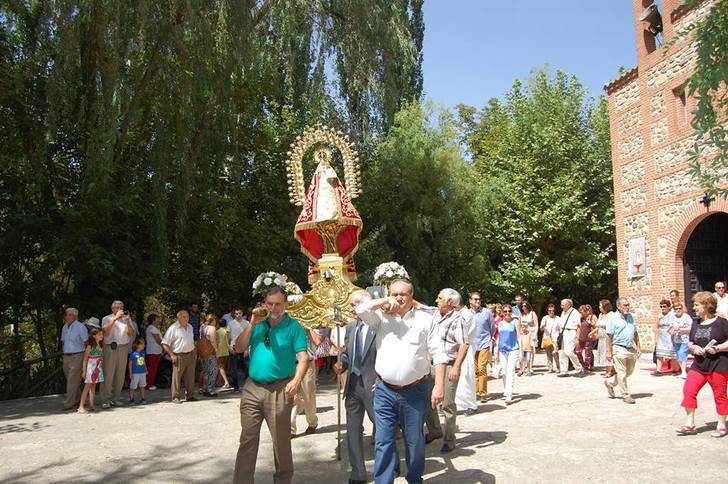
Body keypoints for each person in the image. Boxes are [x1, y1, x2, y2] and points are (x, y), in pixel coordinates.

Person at [355, 279, 446, 484]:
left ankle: (414, 479)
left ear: (411, 296)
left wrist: (439, 386)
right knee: (383, 441)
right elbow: (359, 309)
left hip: (415, 391)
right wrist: (383, 301)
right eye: (394, 294)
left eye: (403, 294)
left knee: (414, 443)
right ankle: (384, 481)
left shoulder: (425, 320)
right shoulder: (381, 318)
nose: (398, 298)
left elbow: (439, 354)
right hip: (384, 390)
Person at [233, 287, 308, 484]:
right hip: (252, 388)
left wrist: (297, 380)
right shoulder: (257, 325)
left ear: (285, 305)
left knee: (280, 442)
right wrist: (251, 324)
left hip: (280, 389)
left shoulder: (294, 327)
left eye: (277, 304)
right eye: (270, 303)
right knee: (247, 438)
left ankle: (283, 480)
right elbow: (239, 348)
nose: (273, 308)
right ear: (265, 304)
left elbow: (303, 357)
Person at [334, 290, 381, 484]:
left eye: (353, 305)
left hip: (374, 385)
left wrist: (382, 379)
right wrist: (341, 365)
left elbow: (385, 355)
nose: (351, 309)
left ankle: (389, 464)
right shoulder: (351, 328)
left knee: (382, 428)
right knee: (352, 431)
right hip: (352, 386)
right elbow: (347, 354)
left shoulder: (378, 326)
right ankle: (358, 473)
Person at [677, 291, 728, 437]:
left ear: (706, 305)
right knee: (689, 390)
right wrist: (694, 348)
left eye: (697, 305)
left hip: (718, 364)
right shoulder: (696, 323)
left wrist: (717, 348)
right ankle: (689, 424)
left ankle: (722, 425)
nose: (694, 308)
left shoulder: (721, 323)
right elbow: (691, 342)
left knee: (720, 395)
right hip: (699, 365)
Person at [424, 288, 469, 453]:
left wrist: (456, 367)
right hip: (432, 364)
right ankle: (435, 430)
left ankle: (449, 438)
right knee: (427, 399)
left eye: (439, 297)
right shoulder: (435, 313)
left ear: (449, 302)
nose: (436, 300)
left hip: (449, 364)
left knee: (447, 404)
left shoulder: (458, 319)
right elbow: (416, 305)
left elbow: (464, 344)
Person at [604, 298, 641, 404]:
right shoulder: (613, 318)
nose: (627, 307)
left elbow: (635, 333)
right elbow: (608, 335)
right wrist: (608, 351)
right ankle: (625, 395)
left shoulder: (631, 317)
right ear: (618, 306)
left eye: (628, 305)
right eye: (625, 305)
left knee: (629, 371)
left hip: (630, 348)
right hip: (618, 347)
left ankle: (610, 383)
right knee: (622, 372)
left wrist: (638, 347)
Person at [100, 300, 134, 409]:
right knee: (108, 373)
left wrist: (128, 322)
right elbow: (105, 332)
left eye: (121, 307)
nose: (120, 310)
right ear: (113, 309)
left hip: (123, 347)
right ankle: (106, 399)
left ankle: (116, 398)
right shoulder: (107, 318)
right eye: (117, 308)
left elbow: (131, 333)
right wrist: (115, 319)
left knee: (120, 374)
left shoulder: (126, 319)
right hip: (110, 347)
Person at [291, 326, 322, 436]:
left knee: (308, 395)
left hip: (308, 364)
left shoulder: (310, 323)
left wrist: (308, 329)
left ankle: (312, 422)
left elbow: (318, 341)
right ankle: (290, 429)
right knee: (291, 396)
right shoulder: (287, 323)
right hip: (290, 364)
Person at [161, 309, 197, 403]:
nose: (187, 318)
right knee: (177, 377)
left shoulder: (190, 327)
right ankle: (175, 397)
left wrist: (194, 352)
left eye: (187, 316)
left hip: (191, 353)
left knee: (190, 376)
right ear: (179, 318)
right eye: (184, 316)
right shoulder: (173, 328)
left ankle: (190, 395)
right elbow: (165, 343)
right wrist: (172, 355)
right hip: (179, 355)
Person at [60, 307, 88, 411]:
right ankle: (78, 399)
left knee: (72, 380)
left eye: (69, 314)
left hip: (77, 355)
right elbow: (63, 341)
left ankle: (69, 403)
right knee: (71, 379)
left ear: (75, 316)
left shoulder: (81, 327)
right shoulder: (64, 327)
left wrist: (85, 357)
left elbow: (86, 342)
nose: (67, 316)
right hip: (66, 356)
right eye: (66, 314)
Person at [455, 295, 478, 415]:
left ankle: (471, 404)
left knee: (467, 375)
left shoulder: (467, 315)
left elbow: (463, 334)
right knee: (459, 377)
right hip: (457, 348)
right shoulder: (457, 314)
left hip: (466, 347)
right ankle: (459, 404)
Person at [473, 295, 495, 401]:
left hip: (484, 343)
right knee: (475, 369)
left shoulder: (487, 312)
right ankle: (476, 391)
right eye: (475, 299)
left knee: (482, 367)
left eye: (479, 299)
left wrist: (489, 339)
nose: (478, 301)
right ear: (470, 301)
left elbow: (492, 328)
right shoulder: (467, 313)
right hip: (472, 345)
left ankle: (483, 393)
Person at [497, 305, 520, 404]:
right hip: (502, 350)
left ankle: (509, 394)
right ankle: (506, 391)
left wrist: (521, 351)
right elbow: (499, 338)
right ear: (502, 312)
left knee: (511, 371)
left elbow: (519, 336)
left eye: (509, 311)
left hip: (513, 349)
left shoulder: (515, 322)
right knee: (504, 372)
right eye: (505, 311)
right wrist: (496, 353)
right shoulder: (500, 323)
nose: (507, 313)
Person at [78, 328, 104, 413]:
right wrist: (84, 371)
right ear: (94, 336)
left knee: (93, 386)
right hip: (91, 367)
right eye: (99, 334)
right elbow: (85, 359)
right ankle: (81, 406)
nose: (101, 336)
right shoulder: (90, 346)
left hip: (97, 367)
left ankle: (91, 405)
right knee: (87, 387)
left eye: (101, 334)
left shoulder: (100, 345)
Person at [557, 299, 584, 377]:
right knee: (562, 352)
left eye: (563, 305)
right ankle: (564, 370)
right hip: (563, 332)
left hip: (571, 332)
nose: (561, 306)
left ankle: (579, 368)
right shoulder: (563, 312)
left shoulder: (575, 312)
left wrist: (577, 337)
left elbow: (579, 326)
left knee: (569, 351)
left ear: (569, 304)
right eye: (561, 304)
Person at [228, 307, 250, 392]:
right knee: (234, 369)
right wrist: (229, 347)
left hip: (244, 347)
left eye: (239, 313)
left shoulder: (247, 323)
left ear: (242, 313)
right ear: (234, 314)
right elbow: (228, 336)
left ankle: (248, 387)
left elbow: (248, 336)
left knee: (247, 367)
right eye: (236, 314)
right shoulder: (231, 323)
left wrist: (247, 349)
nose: (238, 315)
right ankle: (236, 386)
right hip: (234, 347)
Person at [654, 299, 677, 376]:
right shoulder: (659, 315)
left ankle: (675, 369)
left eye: (664, 306)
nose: (662, 308)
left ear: (669, 307)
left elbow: (675, 324)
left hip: (670, 335)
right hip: (662, 335)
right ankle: (658, 370)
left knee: (672, 353)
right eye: (661, 306)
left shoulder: (672, 315)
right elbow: (656, 326)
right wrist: (656, 337)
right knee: (659, 353)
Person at [671, 302, 692, 379]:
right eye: (676, 309)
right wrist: (672, 330)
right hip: (676, 339)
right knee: (679, 356)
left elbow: (690, 328)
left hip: (685, 339)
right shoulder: (673, 317)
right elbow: (670, 328)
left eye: (680, 308)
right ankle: (683, 371)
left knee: (682, 354)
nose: (678, 310)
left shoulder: (687, 317)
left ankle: (684, 372)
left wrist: (680, 329)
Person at [199, 314, 219, 397]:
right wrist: (217, 351)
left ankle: (205, 388)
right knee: (213, 371)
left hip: (203, 352)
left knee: (206, 371)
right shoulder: (212, 328)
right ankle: (210, 389)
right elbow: (213, 341)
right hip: (210, 352)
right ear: (213, 320)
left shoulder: (203, 327)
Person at [596, 300, 614, 377]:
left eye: (600, 305)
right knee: (603, 354)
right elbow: (598, 326)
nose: (599, 307)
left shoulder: (611, 315)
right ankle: (608, 369)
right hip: (601, 338)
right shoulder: (601, 315)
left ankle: (610, 371)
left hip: (607, 337)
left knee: (608, 352)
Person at [145, 313, 163, 390]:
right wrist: (164, 346)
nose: (159, 320)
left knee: (153, 369)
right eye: (157, 319)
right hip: (153, 351)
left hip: (154, 351)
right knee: (152, 369)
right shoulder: (152, 328)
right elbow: (158, 340)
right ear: (153, 320)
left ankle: (150, 383)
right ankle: (149, 385)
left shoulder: (152, 328)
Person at [518, 302, 537, 376]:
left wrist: (535, 334)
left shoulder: (532, 313)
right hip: (523, 334)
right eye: (522, 306)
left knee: (530, 351)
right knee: (522, 351)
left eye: (525, 306)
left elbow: (536, 325)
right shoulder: (521, 315)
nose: (524, 307)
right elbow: (519, 325)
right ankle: (522, 369)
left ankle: (530, 368)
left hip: (531, 334)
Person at [576, 304, 597, 373]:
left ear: (586, 312)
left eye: (582, 312)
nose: (580, 313)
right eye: (580, 311)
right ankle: (582, 365)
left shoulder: (590, 318)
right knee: (578, 352)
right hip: (580, 338)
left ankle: (586, 368)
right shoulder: (579, 319)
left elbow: (596, 327)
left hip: (588, 339)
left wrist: (591, 333)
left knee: (587, 355)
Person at [540, 304, 560, 373]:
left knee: (555, 353)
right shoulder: (545, 318)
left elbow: (561, 329)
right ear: (547, 311)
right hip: (547, 338)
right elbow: (541, 329)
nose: (551, 312)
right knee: (548, 354)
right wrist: (542, 326)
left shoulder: (558, 318)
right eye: (549, 310)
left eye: (553, 310)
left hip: (555, 338)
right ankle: (550, 368)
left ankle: (558, 367)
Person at [128, 338, 148, 405]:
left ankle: (143, 398)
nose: (144, 346)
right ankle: (131, 399)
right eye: (142, 344)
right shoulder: (132, 354)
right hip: (135, 373)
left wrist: (146, 369)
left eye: (144, 344)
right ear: (137, 345)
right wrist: (130, 373)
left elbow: (144, 362)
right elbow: (130, 364)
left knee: (142, 386)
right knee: (133, 386)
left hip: (142, 373)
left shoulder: (143, 353)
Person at [217, 318, 231, 389]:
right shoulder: (226, 331)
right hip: (226, 351)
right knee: (222, 367)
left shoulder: (217, 331)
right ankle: (219, 382)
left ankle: (226, 382)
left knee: (220, 367)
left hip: (219, 351)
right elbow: (228, 342)